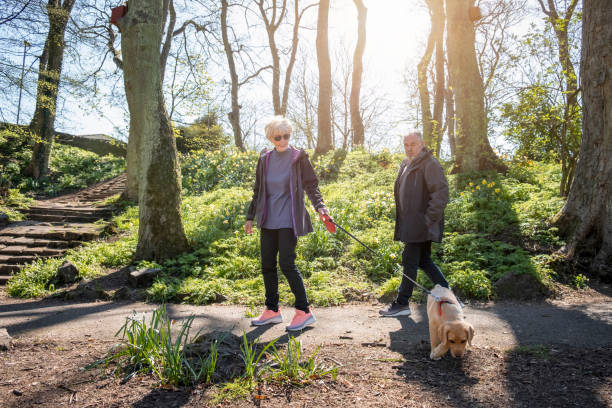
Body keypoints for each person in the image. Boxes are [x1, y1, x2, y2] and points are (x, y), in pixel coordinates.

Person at [245, 116, 329, 331]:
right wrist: (249, 217)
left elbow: (311, 185)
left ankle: (304, 311)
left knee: (287, 264)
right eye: (278, 137)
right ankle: (272, 310)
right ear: (271, 138)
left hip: (288, 219)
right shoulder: (264, 159)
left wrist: (320, 206)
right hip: (268, 219)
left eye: (286, 136)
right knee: (267, 265)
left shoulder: (298, 157)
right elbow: (257, 190)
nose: (283, 140)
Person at [379, 131, 450, 317]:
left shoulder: (430, 164)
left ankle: (402, 303)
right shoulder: (406, 163)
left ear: (422, 144)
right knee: (423, 260)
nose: (409, 148)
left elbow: (441, 193)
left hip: (421, 223)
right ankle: (450, 297)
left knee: (409, 260)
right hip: (410, 223)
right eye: (406, 145)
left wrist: (428, 219)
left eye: (413, 144)